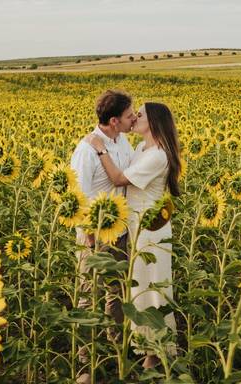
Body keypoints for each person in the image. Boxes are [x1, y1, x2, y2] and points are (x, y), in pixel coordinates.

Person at [85, 101, 181, 369]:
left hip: (150, 232)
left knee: (152, 291)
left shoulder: (158, 155)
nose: (135, 117)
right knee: (137, 289)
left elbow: (118, 179)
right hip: (136, 227)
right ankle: (146, 350)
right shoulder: (141, 148)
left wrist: (99, 147)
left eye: (141, 114)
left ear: (154, 122)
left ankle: (155, 355)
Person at [69, 89, 137, 383]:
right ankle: (85, 362)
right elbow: (78, 194)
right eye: (129, 115)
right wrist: (89, 237)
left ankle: (112, 347)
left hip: (119, 232)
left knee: (117, 295)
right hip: (95, 237)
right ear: (113, 120)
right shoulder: (86, 150)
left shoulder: (122, 142)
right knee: (88, 296)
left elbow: (127, 178)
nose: (133, 118)